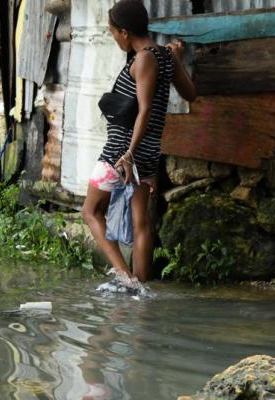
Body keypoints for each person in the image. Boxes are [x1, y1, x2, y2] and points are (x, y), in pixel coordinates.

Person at [82, 0, 196, 289]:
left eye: (112, 33)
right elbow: (191, 93)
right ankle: (141, 291)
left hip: (123, 151)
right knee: (140, 222)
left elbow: (144, 110)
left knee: (90, 212)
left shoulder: (144, 59)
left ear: (124, 32)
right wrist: (178, 60)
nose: (114, 39)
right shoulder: (166, 56)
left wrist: (129, 154)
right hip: (148, 151)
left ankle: (126, 277)